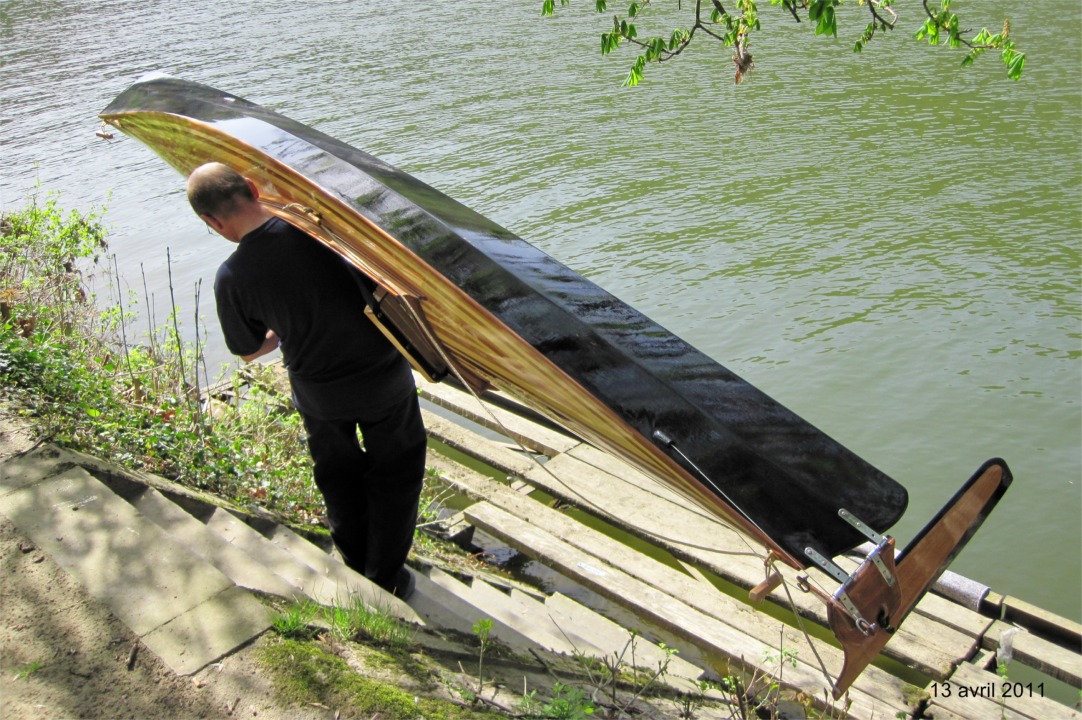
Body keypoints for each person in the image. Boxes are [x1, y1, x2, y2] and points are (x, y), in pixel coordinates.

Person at [187, 162, 426, 600]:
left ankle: (356, 567)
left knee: (337, 475)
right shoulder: (326, 232)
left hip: (319, 393)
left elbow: (249, 349)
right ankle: (387, 576)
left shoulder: (232, 277)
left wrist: (279, 332)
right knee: (397, 472)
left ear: (212, 221)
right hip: (383, 379)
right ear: (254, 189)